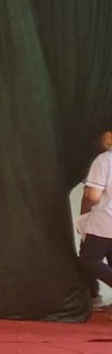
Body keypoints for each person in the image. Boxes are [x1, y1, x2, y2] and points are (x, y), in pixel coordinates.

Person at [77, 124, 112, 300]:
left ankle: (91, 296)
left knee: (88, 259)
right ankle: (93, 295)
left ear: (108, 136)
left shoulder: (104, 160)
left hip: (106, 222)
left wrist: (83, 216)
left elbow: (93, 196)